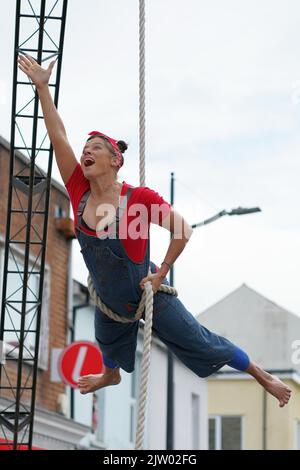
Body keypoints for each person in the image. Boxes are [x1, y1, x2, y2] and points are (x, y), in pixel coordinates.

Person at [17, 53, 292, 408]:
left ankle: (260, 373)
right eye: (85, 149)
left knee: (202, 344)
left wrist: (161, 274)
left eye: (96, 148)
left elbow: (182, 229)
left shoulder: (139, 198)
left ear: (116, 161)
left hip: (148, 294)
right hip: (109, 299)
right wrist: (42, 87)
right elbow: (58, 136)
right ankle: (110, 374)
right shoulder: (77, 190)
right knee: (109, 345)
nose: (86, 152)